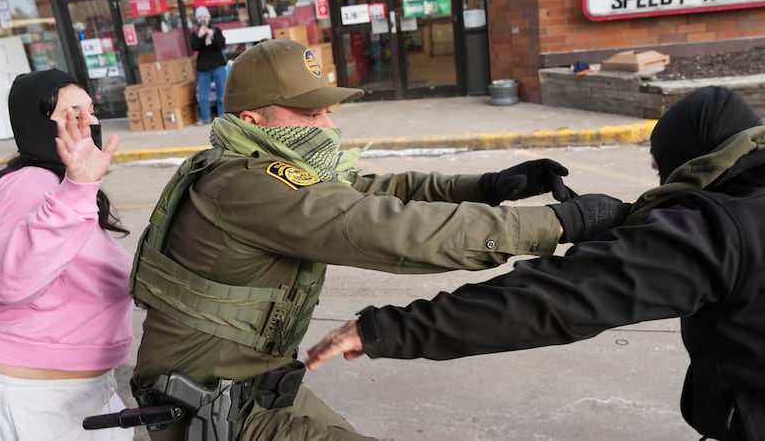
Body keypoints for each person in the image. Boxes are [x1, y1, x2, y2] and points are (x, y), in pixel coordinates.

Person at [129, 38, 629, 441]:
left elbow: (378, 189)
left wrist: (490, 185)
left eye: (325, 111)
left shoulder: (254, 166)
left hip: (252, 383)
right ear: (253, 121)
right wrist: (556, 225)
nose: (327, 125)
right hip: (210, 406)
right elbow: (390, 228)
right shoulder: (248, 186)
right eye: (308, 114)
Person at [305, 86, 765, 441]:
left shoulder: (720, 229)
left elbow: (556, 300)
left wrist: (387, 329)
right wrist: (491, 186)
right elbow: (384, 188)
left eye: (663, 169)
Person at [0, 69, 134, 439]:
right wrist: (78, 189)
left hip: (75, 397)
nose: (91, 121)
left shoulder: (64, 188)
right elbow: (10, 279)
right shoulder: (29, 183)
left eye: (91, 110)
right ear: (38, 123)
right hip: (27, 400)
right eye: (74, 114)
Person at [191, 6, 227, 125]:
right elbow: (194, 47)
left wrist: (213, 35)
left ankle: (223, 118)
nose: (202, 19)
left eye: (204, 17)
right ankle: (205, 118)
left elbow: (221, 45)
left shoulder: (217, 30)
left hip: (218, 65)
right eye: (200, 17)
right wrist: (200, 36)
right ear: (197, 19)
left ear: (209, 17)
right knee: (203, 95)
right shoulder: (195, 33)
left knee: (222, 93)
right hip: (203, 68)